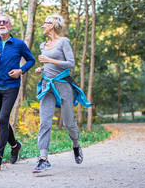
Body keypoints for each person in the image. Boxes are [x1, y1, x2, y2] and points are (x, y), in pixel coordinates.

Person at [32, 14, 92, 173]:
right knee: (44, 122)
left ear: (51, 25)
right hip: (47, 86)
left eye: (44, 23)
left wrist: (49, 61)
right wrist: (41, 69)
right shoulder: (42, 45)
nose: (42, 26)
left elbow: (71, 64)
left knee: (68, 123)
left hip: (63, 85)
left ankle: (76, 145)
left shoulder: (63, 42)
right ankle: (43, 158)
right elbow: (48, 66)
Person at [0, 13, 35, 170]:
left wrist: (20, 71)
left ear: (10, 26)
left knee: (3, 118)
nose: (1, 24)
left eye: (5, 22)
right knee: (2, 120)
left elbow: (31, 60)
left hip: (11, 86)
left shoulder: (19, 44)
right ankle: (15, 145)